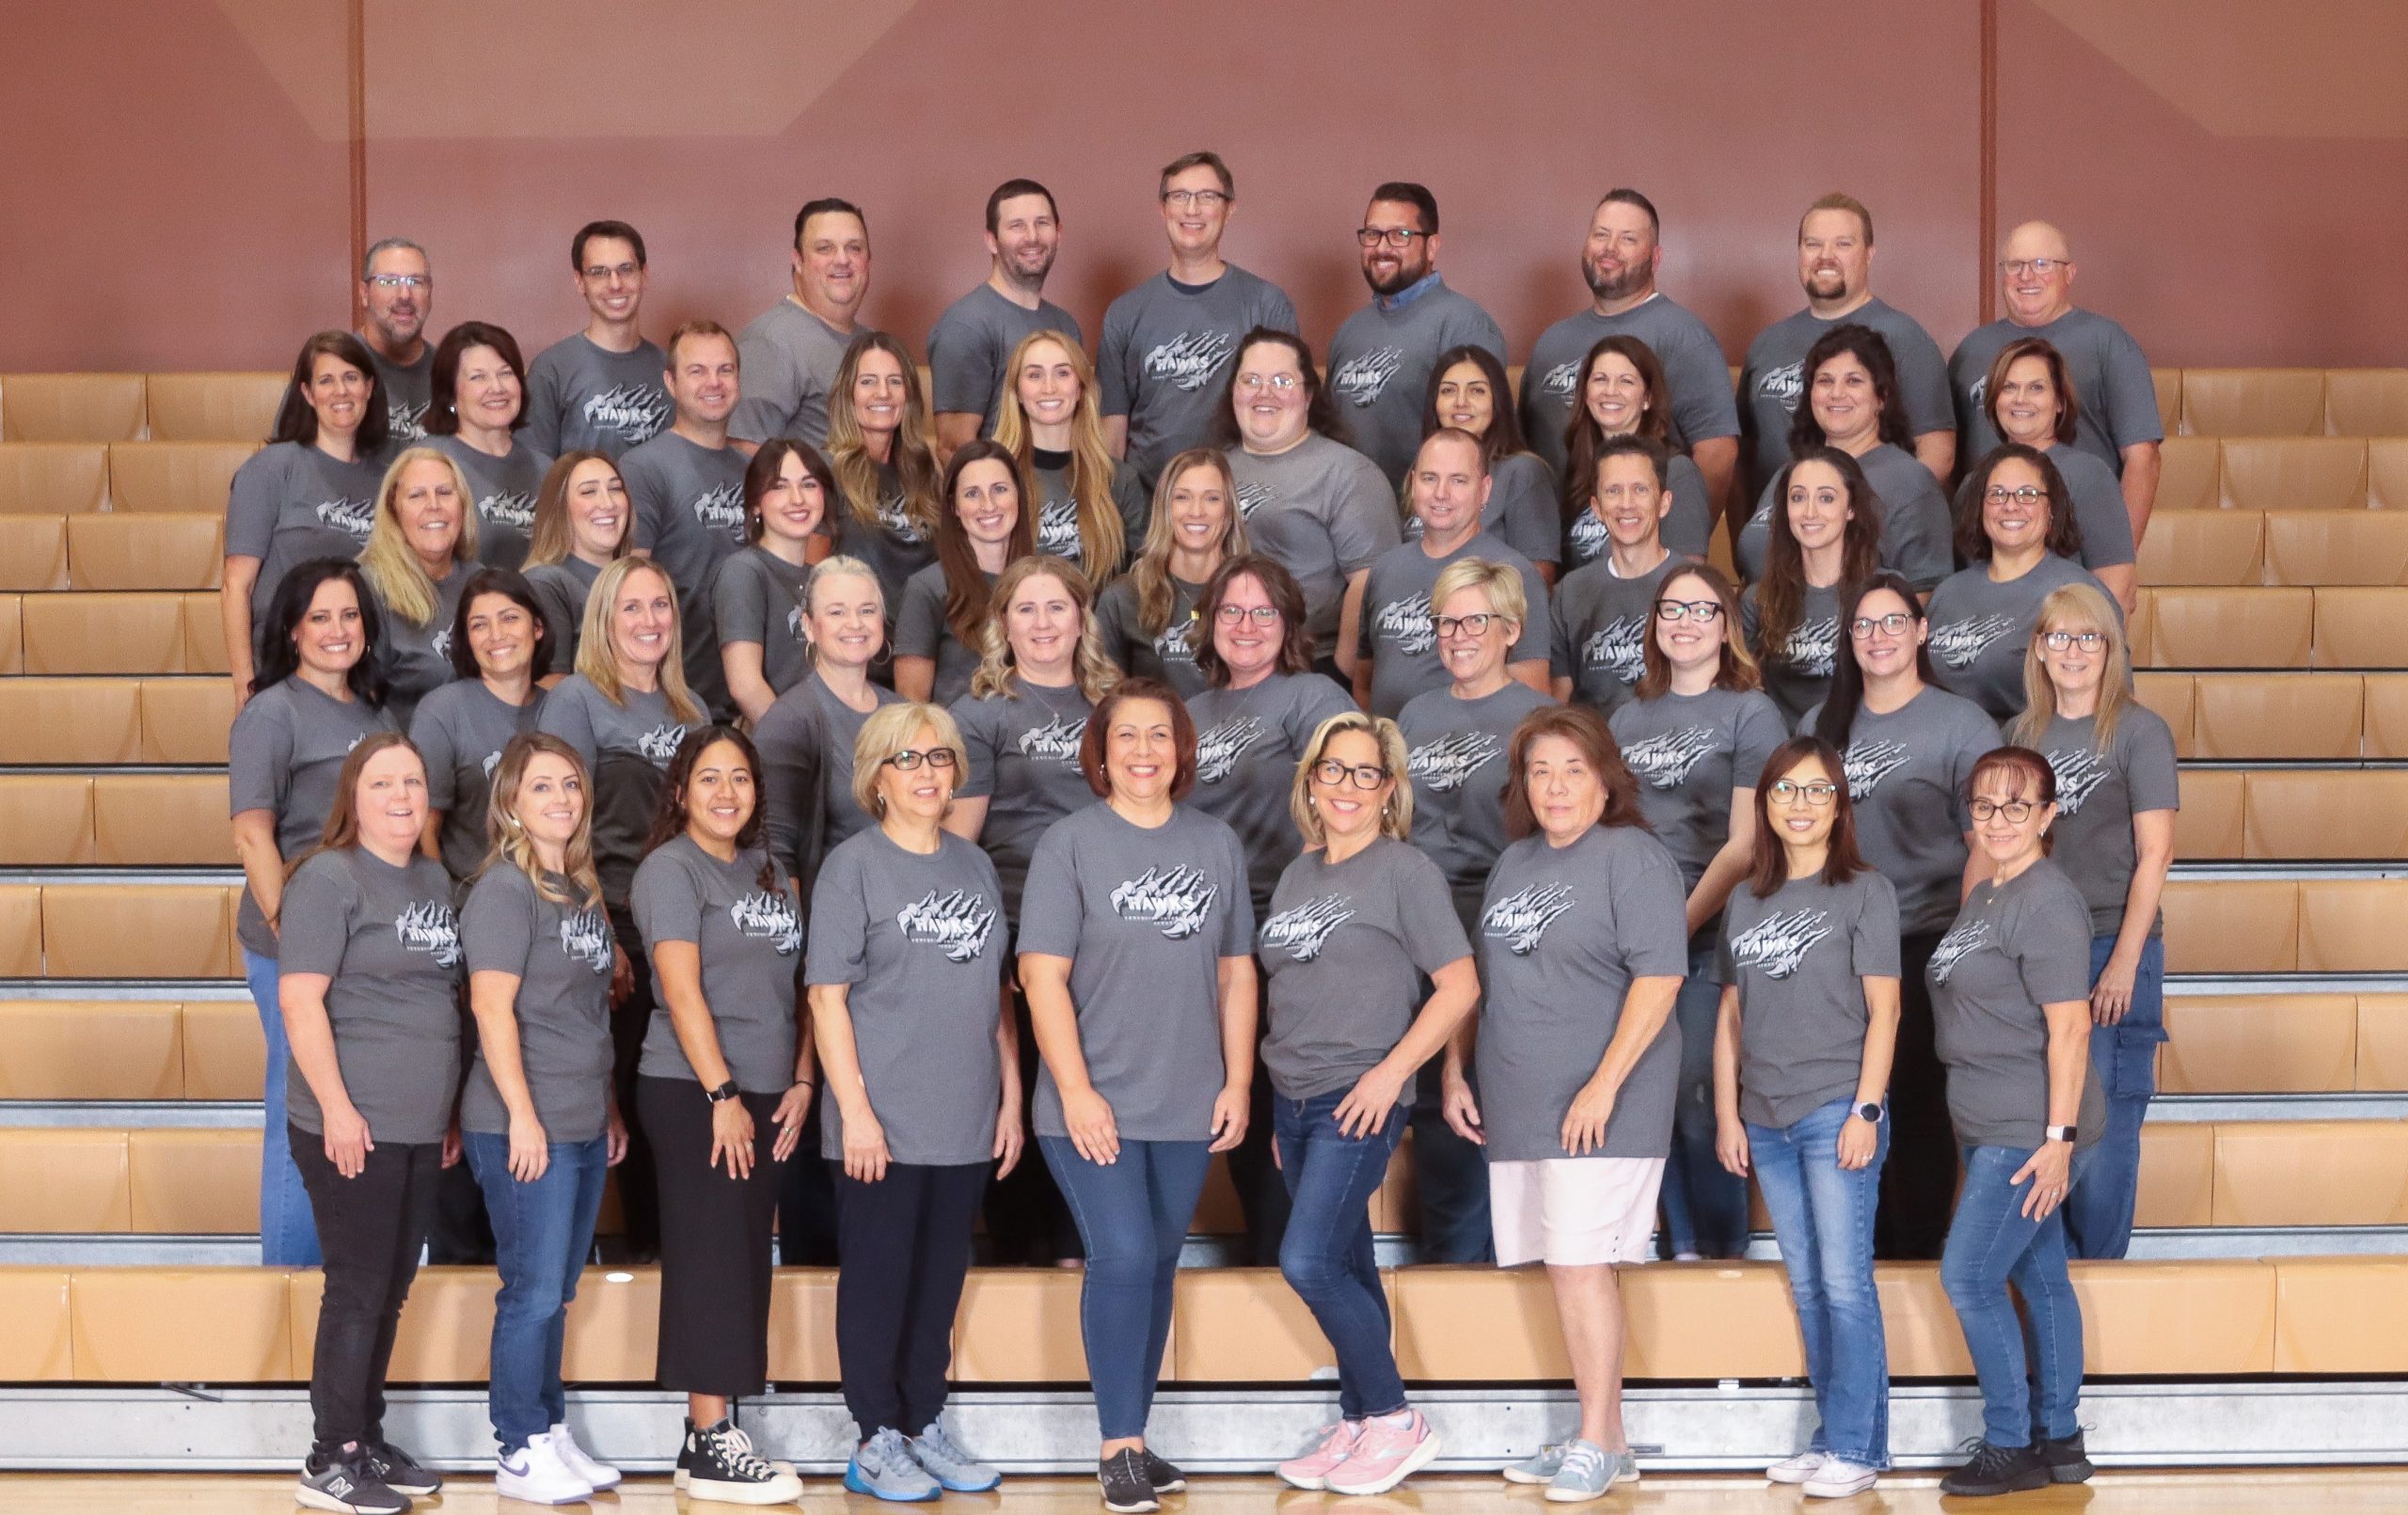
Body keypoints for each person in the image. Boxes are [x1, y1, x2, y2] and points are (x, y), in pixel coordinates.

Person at [1017, 678, 1256, 1514]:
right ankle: (1116, 1445)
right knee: (1119, 1254)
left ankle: (1139, 1439)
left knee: (1156, 1264)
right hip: (1093, 1101)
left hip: (1185, 1099)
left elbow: (1235, 972)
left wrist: (1236, 1079)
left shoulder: (1216, 843)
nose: (1144, 750)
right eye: (1127, 736)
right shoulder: (1069, 845)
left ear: (1182, 748)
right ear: (1102, 750)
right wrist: (1077, 1091)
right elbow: (1039, 975)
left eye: (1160, 734)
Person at [1444, 703, 1687, 1504]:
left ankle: (1594, 1435)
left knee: (1584, 1267)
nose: (1555, 786)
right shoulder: (1514, 864)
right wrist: (1456, 1070)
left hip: (1602, 1104)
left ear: (1605, 777)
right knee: (1564, 1268)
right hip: (1520, 1099)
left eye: (1573, 769)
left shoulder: (1633, 856)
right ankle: (1606, 1440)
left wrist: (1604, 1083)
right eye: (1540, 770)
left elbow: (1660, 981)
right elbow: (1484, 985)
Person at [807, 703, 1019, 1501]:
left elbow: (996, 992)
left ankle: (924, 1422)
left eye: (940, 757)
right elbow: (827, 999)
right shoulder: (851, 867)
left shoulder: (974, 866)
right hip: (881, 1124)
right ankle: (874, 1439)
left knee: (938, 1283)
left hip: (962, 1115)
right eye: (908, 759)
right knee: (878, 1282)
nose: (928, 772)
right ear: (877, 776)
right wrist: (856, 1113)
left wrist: (1009, 1097)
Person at [1262, 711, 1476, 1496]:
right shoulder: (1297, 873)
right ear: (1310, 783)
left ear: (1389, 791)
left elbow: (1460, 985)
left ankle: (1395, 1416)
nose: (1347, 786)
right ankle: (1358, 1419)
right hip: (1295, 1098)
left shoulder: (1404, 870)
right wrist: (1283, 1107)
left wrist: (1392, 1076)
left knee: (1307, 1259)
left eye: (1366, 773)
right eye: (1333, 769)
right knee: (1348, 1259)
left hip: (1358, 1096)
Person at [1710, 736, 1901, 1499]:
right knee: (1811, 1286)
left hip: (1835, 1110)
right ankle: (1833, 1436)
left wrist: (1867, 1108)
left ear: (1839, 804)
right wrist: (1729, 1115)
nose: (1799, 804)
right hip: (1767, 1116)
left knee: (1847, 1282)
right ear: (1765, 803)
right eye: (1785, 790)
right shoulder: (1743, 898)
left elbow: (1885, 1009)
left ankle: (1859, 1445)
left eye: (1816, 791)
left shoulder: (1865, 890)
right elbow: (1730, 1017)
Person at [629, 726, 814, 1506]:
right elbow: (680, 991)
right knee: (712, 1255)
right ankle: (708, 1437)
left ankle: (712, 1429)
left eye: (739, 778)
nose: (726, 792)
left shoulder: (773, 873)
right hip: (697, 1092)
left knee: (740, 1254)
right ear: (680, 791)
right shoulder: (670, 871)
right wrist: (723, 1095)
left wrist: (801, 1079)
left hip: (770, 1094)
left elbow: (801, 986)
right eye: (708, 778)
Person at [277, 732, 459, 1515]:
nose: (401, 797)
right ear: (354, 796)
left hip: (419, 1125)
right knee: (357, 1286)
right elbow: (299, 1000)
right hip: (351, 1123)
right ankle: (330, 1455)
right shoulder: (328, 878)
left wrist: (446, 1112)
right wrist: (338, 1110)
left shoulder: (435, 877)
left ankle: (366, 1437)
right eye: (383, 783)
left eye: (413, 783)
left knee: (391, 1286)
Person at [1805, 573, 2001, 1259]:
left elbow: (1988, 843)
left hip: (1924, 939)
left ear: (1921, 633)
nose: (1879, 636)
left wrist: (1965, 946)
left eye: (1895, 622)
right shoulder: (1820, 726)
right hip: (1835, 949)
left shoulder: (1960, 724)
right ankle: (1861, 1258)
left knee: (1915, 1105)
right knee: (1848, 1104)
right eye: (1864, 625)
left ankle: (1912, 1255)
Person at [1930, 747, 2105, 1498]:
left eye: (2016, 805)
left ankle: (2009, 1443)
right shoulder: (1990, 893)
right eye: (1983, 805)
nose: (1998, 820)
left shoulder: (2048, 899)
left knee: (1969, 1275)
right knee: (2039, 1273)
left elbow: (2070, 1029)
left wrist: (2057, 1141)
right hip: (1992, 1118)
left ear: (2048, 813)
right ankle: (2061, 1439)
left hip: (2028, 1126)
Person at [458, 734, 627, 1505]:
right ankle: (518, 1444)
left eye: (570, 785)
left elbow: (589, 1012)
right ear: (511, 805)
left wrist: (608, 1109)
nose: (561, 799)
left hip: (582, 1117)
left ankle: (550, 1428)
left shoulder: (581, 888)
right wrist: (523, 1115)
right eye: (541, 788)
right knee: (530, 1289)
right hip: (524, 1123)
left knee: (558, 1288)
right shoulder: (503, 889)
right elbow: (491, 1007)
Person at [1608, 565, 1786, 1262]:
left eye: (1701, 609)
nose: (1684, 620)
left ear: (1725, 624)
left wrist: (1673, 929)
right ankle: (1673, 1248)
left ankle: (1719, 1255)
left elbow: (1745, 846)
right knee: (1644, 1093)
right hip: (1631, 932)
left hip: (1708, 932)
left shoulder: (1751, 711)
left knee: (1697, 1093)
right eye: (1670, 608)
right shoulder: (1627, 715)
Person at [534, 557, 710, 1260]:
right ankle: (640, 1251)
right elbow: (560, 822)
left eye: (659, 606)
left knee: (674, 1089)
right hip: (612, 920)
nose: (648, 621)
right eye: (631, 608)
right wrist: (601, 932)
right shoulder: (577, 699)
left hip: (680, 922)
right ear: (604, 620)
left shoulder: (690, 710)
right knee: (631, 1091)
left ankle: (674, 1251)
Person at [230, 560, 398, 1269]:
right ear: (293, 630)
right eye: (321, 617)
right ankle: (292, 1278)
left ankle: (353, 1277)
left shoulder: (377, 715)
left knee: (356, 1107)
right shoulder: (272, 710)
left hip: (366, 943)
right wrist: (289, 929)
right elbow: (251, 832)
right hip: (296, 943)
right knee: (297, 1109)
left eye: (350, 615)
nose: (337, 630)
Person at [2007, 585, 2177, 1260]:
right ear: (2039, 650)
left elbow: (2156, 852)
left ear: (2110, 648)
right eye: (2058, 637)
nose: (2072, 651)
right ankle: (2053, 1284)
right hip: (2038, 950)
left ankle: (2098, 1272)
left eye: (2089, 638)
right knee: (2043, 1121)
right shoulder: (2021, 735)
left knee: (2100, 1134)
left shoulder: (2139, 730)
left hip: (2111, 942)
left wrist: (2124, 962)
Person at [1397, 559, 1554, 1264]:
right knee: (1438, 1097)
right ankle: (1453, 1264)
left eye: (1474, 621)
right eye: (1446, 621)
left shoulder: (1538, 720)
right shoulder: (1416, 714)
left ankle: (1518, 1260)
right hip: (1426, 920)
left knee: (1501, 1088)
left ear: (1511, 629)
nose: (1457, 635)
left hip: (1512, 924)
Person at [1519, 190, 1739, 524]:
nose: (1610, 248)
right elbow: (1525, 449)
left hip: (1640, 557)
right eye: (1601, 235)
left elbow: (1717, 454)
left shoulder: (1685, 337)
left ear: (1655, 257)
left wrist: (1679, 538)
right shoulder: (1552, 342)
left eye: (1628, 239)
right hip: (1556, 556)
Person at [1951, 221, 2162, 548]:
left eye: (2041, 264)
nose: (2027, 276)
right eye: (2014, 265)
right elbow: (1952, 459)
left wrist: (2120, 554)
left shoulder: (2108, 343)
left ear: (2070, 273)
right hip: (1988, 548)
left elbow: (2143, 458)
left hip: (2074, 543)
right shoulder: (1972, 350)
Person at [1099, 150, 1299, 489]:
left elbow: (1290, 417)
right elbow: (1113, 431)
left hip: (1241, 503)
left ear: (1229, 209)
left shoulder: (1267, 305)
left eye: (1207, 197)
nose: (1192, 210)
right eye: (1179, 197)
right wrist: (1113, 511)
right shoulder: (1124, 313)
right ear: (1163, 209)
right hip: (1150, 510)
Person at [1737, 193, 1955, 501]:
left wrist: (1867, 520)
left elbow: (1938, 455)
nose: (1826, 256)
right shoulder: (1767, 344)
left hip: (1864, 533)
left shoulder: (1905, 339)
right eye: (1813, 244)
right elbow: (1744, 457)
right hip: (1780, 530)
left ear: (1869, 253)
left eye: (1843, 244)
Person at [1215, 328, 1402, 678]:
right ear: (1233, 392)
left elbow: (1372, 582)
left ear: (1308, 397)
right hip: (1222, 663)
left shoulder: (1348, 472)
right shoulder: (1209, 469)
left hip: (1309, 665)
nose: (1264, 392)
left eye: (1282, 381)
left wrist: (1342, 673)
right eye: (1251, 379)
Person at [223, 331, 390, 699]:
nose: (340, 391)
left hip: (362, 670)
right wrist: (244, 687)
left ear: (369, 387)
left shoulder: (388, 479)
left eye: (351, 378)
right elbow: (237, 587)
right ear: (308, 394)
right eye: (326, 381)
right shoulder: (270, 469)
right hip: (283, 667)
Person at [1733, 325, 1953, 593]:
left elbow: (1924, 596)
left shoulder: (1911, 482)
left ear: (1881, 397)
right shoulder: (1789, 474)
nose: (1836, 393)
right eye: (1825, 381)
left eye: (1853, 381)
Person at [1324, 181, 1508, 488]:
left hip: (1425, 518)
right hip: (1351, 514)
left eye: (1400, 235)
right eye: (1373, 234)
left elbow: (1483, 445)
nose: (1382, 248)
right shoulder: (1349, 331)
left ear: (1432, 246)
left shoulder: (1465, 325)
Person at [1356, 428, 1548, 718]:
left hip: (1467, 753)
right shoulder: (1385, 569)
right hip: (1390, 751)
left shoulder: (1513, 572)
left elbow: (1532, 692)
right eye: (1429, 478)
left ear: (1484, 490)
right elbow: (1364, 681)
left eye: (1458, 480)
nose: (1440, 493)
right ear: (1412, 483)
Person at [1926, 445, 2115, 723]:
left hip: (2027, 757)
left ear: (2051, 509)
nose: (2011, 505)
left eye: (2028, 494)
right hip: (1945, 753)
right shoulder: (1948, 593)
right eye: (1997, 494)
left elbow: (2110, 706)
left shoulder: (2078, 592)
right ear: (1980, 508)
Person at [621, 319, 749, 716]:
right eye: (698, 371)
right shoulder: (643, 467)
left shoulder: (753, 470)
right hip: (676, 697)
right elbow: (630, 586)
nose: (714, 382)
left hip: (741, 692)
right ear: (671, 383)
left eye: (725, 370)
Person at [754, 557, 901, 896]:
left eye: (867, 610)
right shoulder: (789, 720)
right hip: (834, 915)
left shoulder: (902, 713)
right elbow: (776, 853)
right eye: (837, 612)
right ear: (808, 626)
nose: (855, 624)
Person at [411, 568, 550, 882]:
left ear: (537, 626)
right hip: (470, 899)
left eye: (510, 618)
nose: (496, 635)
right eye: (479, 625)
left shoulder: (563, 707)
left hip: (554, 902)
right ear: (466, 639)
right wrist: (444, 906)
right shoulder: (443, 710)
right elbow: (423, 829)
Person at [1982, 339, 2141, 610]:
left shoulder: (2089, 475)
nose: (2020, 399)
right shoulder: (1976, 481)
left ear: (2058, 401)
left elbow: (2117, 591)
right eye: (2009, 387)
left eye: (2036, 388)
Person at [929, 179, 1083, 455]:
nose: (1032, 236)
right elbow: (953, 448)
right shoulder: (966, 325)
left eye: (1042, 223)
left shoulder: (1066, 326)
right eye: (1017, 226)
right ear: (991, 240)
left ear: (1059, 234)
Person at [1551, 435, 1695, 717]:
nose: (1626, 504)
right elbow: (1559, 701)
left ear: (1664, 503)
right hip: (1596, 750)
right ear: (1597, 507)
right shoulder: (1570, 591)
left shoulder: (1697, 586)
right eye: (1613, 491)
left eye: (1640, 489)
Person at [1740, 448, 1883, 731]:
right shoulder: (1757, 599)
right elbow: (1739, 687)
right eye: (1798, 498)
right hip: (1787, 753)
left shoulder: (1881, 595)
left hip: (1863, 745)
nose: (1809, 512)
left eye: (1826, 498)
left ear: (1851, 508)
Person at [991, 329, 1149, 583]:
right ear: (1018, 392)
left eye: (1063, 373)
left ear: (1080, 389)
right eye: (1034, 375)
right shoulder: (994, 479)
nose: (1049, 387)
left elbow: (1138, 582)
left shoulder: (1119, 479)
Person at [1092, 449, 1248, 701]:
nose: (1196, 511)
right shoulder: (1123, 597)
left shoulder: (1256, 593)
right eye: (1182, 497)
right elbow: (1105, 698)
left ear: (1229, 512)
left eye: (1212, 498)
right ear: (1164, 508)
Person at [895, 439, 1033, 708]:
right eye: (972, 494)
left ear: (1019, 494)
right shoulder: (927, 588)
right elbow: (911, 708)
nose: (988, 504)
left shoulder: (1045, 584)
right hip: (959, 744)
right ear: (954, 507)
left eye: (1000, 489)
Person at [730, 197, 872, 452]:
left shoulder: (874, 345)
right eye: (824, 248)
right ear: (798, 260)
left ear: (868, 260)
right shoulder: (769, 343)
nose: (842, 259)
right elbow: (746, 457)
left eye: (854, 248)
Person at [1559, 336, 1716, 563]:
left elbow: (1689, 573)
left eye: (1626, 381)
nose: (1610, 391)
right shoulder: (1579, 468)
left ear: (1647, 398)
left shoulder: (1677, 472)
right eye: (1600, 379)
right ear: (1585, 394)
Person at [523, 219, 672, 460]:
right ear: (580, 281)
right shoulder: (551, 370)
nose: (615, 284)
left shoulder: (671, 369)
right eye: (599, 273)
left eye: (626, 269)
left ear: (644, 275)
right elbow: (536, 472)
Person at [827, 330, 944, 618]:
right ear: (848, 394)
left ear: (909, 395)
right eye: (868, 382)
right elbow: (809, 580)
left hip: (925, 634)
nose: (883, 393)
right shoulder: (826, 471)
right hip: (860, 639)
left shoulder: (926, 469)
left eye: (895, 382)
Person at [357, 447, 478, 726]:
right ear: (394, 510)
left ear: (462, 505)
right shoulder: (368, 587)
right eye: (417, 495)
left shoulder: (481, 582)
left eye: (445, 492)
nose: (433, 505)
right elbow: (361, 703)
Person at [713, 438, 831, 723]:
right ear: (755, 504)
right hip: (773, 745)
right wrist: (796, 747)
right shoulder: (744, 570)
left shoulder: (823, 578)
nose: (797, 499)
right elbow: (746, 687)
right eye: (779, 486)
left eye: (809, 484)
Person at [1420, 344, 1561, 579]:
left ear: (1497, 402)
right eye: (1448, 391)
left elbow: (1540, 577)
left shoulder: (1523, 471)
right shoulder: (1422, 470)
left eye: (1477, 391)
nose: (1461, 402)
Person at [425, 320, 549, 570]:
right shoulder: (428, 463)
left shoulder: (546, 469)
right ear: (450, 394)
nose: (496, 388)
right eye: (478, 377)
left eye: (505, 373)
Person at [520, 451, 630, 669]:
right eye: (589, 492)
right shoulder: (546, 583)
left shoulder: (638, 581)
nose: (608, 503)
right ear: (559, 507)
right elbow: (549, 687)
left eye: (615, 489)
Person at [358, 238, 435, 441]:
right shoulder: (331, 369)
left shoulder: (451, 372)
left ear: (430, 293)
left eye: (416, 282)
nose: (404, 295)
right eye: (389, 281)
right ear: (364, 294)